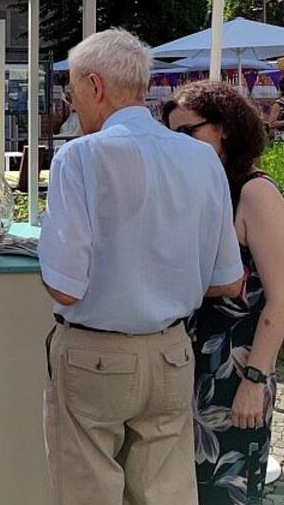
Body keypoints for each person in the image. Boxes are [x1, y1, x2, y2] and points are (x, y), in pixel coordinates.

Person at [39, 29, 244, 505]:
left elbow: (64, 287)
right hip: (172, 351)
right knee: (167, 495)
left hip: (95, 354)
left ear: (95, 85)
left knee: (88, 492)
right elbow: (228, 279)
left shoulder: (80, 158)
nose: (73, 105)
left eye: (72, 92)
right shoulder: (201, 158)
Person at [163, 81, 284, 504]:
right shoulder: (208, 192)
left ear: (225, 129)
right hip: (191, 373)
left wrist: (257, 378)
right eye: (171, 135)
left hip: (237, 375)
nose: (179, 144)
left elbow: (282, 298)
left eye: (188, 132)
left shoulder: (255, 192)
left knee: (228, 492)